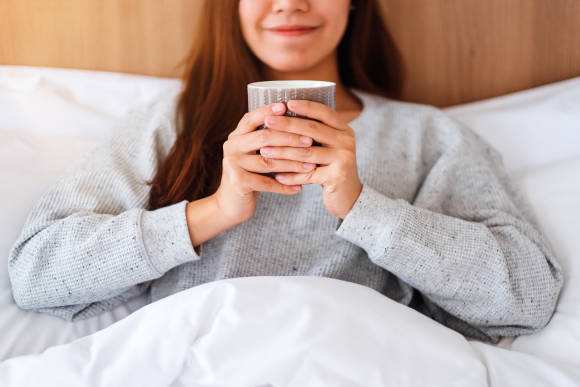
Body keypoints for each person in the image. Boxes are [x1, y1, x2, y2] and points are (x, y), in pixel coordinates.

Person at [7, 0, 563, 344]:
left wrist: (362, 208)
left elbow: (526, 296)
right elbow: (37, 274)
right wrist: (212, 212)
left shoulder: (428, 137)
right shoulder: (171, 124)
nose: (290, 3)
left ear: (354, 3)